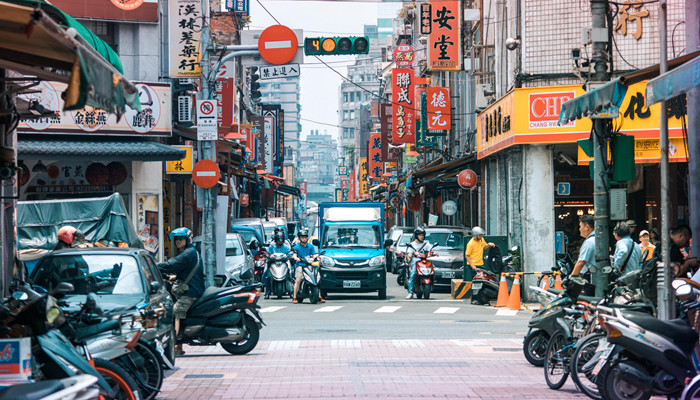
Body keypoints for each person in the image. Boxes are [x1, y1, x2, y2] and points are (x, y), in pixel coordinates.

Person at [157, 227, 204, 356]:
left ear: (187, 240)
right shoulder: (190, 252)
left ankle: (176, 347)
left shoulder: (187, 254)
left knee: (174, 312)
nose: (178, 241)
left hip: (191, 292)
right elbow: (185, 271)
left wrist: (153, 266)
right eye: (176, 239)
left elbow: (172, 265)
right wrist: (175, 277)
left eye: (181, 239)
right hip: (192, 288)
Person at [291, 229, 324, 304]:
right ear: (299, 238)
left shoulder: (310, 246)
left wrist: (317, 257)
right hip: (300, 265)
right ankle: (294, 297)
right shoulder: (296, 247)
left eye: (305, 237)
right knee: (299, 279)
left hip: (310, 265)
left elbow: (313, 254)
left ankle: (319, 296)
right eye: (302, 237)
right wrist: (296, 258)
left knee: (317, 278)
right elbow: (294, 255)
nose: (304, 238)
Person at [264, 229, 293, 299]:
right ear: (275, 239)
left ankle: (291, 292)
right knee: (267, 275)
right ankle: (267, 293)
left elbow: (289, 254)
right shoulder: (271, 246)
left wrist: (289, 256)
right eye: (278, 240)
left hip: (283, 263)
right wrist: (268, 255)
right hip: (273, 263)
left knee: (289, 276)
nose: (279, 241)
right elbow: (268, 253)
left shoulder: (285, 247)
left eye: (281, 240)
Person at [405, 227, 431, 299]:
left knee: (431, 270)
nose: (422, 237)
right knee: (413, 274)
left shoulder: (426, 244)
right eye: (420, 235)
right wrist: (410, 255)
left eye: (423, 235)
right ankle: (410, 292)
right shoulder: (412, 244)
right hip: (415, 262)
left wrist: (433, 253)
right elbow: (409, 253)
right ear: (416, 236)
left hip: (424, 262)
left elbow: (430, 251)